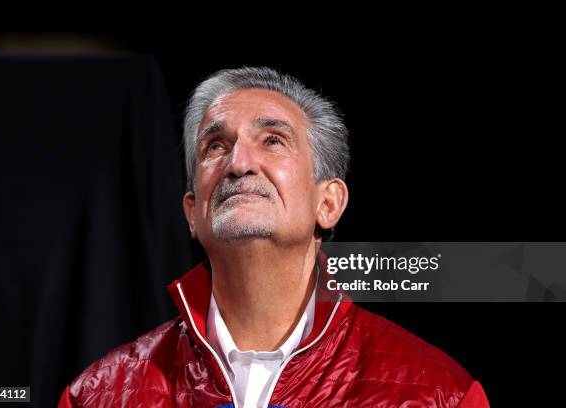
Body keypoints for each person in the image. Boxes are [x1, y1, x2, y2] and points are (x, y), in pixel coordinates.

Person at [58, 67, 489, 407]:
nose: (239, 163)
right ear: (192, 213)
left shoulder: (441, 394)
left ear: (329, 204)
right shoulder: (96, 396)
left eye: (273, 141)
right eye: (215, 146)